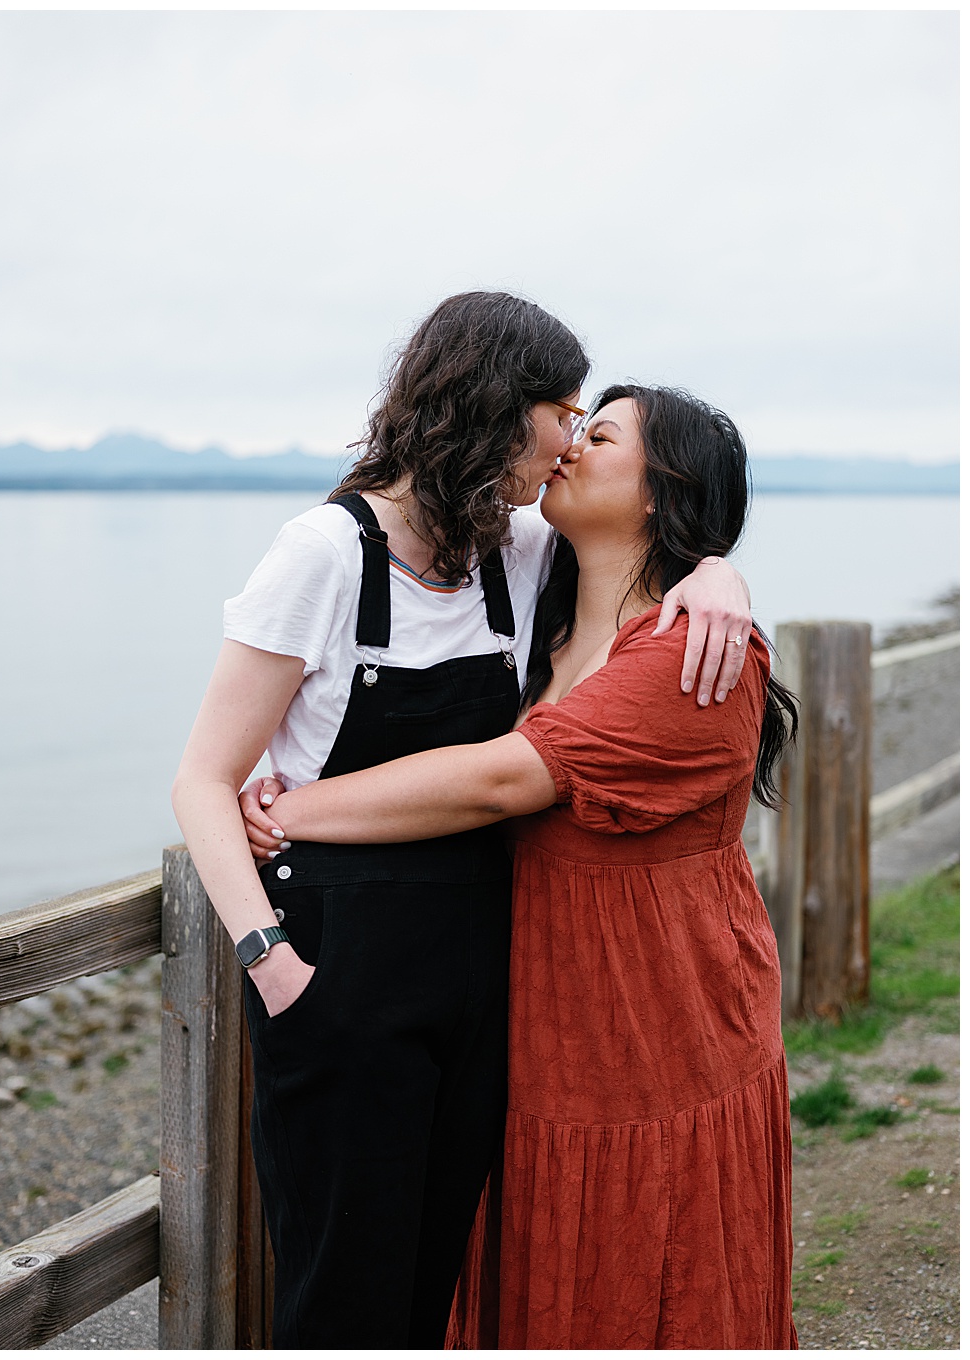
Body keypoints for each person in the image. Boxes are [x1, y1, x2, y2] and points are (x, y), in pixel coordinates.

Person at [167, 293, 754, 1348]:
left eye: (590, 422)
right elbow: (203, 780)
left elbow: (650, 555)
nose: (572, 439)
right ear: (499, 404)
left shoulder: (518, 556)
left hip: (479, 977)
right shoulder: (323, 554)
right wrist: (267, 955)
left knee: (436, 1282)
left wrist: (722, 572)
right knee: (341, 1295)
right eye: (564, 413)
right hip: (338, 975)